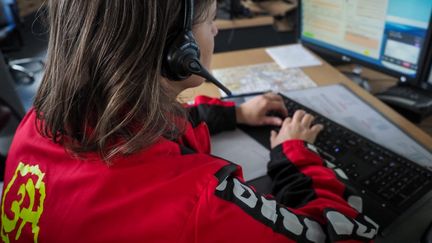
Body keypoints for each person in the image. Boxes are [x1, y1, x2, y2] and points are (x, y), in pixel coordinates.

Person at [0, 0, 378, 242]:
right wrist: (297, 154)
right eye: (211, 18)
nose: (214, 30)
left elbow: (142, 125)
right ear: (176, 50)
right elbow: (344, 234)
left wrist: (235, 113)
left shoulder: (39, 122)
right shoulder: (200, 208)